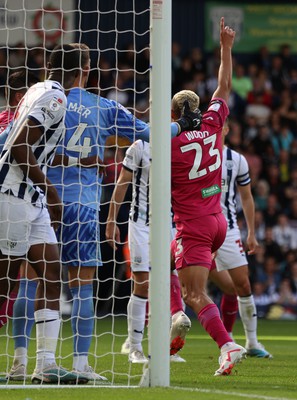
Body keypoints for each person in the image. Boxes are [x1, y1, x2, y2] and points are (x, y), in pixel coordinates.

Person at [6, 43, 199, 382]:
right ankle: (79, 364)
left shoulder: (37, 98)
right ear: (85, 69)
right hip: (79, 202)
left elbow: (13, 138)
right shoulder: (103, 107)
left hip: (34, 198)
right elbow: (150, 134)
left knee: (30, 281)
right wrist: (181, 125)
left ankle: (22, 362)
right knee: (81, 287)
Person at [0, 44, 90, 384]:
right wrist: (52, 191)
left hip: (30, 198)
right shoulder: (56, 98)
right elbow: (20, 144)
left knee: (52, 272)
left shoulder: (37, 89)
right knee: (5, 283)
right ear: (81, 71)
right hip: (13, 194)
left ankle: (45, 364)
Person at [170, 17, 246, 376]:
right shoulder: (215, 123)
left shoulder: (171, 142)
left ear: (173, 114)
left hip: (195, 225)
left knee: (194, 294)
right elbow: (224, 87)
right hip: (218, 220)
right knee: (171, 264)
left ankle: (227, 345)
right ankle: (173, 325)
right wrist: (225, 48)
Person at [105, 139, 191, 364]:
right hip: (140, 224)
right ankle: (134, 347)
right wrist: (111, 219)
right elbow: (123, 182)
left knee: (168, 281)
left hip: (170, 225)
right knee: (142, 282)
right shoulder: (140, 146)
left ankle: (163, 348)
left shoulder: (183, 146)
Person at [212, 121, 272, 358]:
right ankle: (170, 345)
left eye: (222, 126)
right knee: (186, 285)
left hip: (227, 230)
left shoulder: (236, 160)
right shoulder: (195, 154)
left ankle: (252, 342)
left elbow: (246, 198)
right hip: (198, 227)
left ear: (227, 129)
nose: (218, 129)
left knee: (242, 285)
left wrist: (251, 232)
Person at [0, 70, 39, 329]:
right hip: (14, 199)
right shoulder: (22, 123)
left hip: (20, 199)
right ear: (20, 96)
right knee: (20, 272)